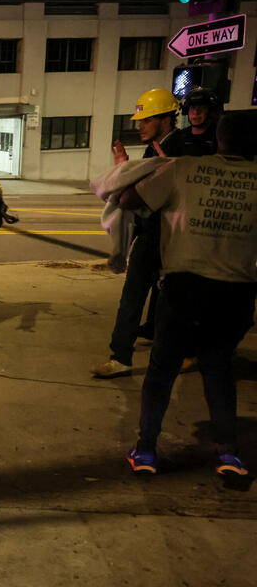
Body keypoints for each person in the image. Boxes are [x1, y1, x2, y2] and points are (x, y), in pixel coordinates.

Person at [115, 111, 257, 476]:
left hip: (185, 286)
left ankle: (146, 449)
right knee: (218, 368)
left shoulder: (184, 168)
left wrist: (134, 170)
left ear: (215, 140)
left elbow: (130, 200)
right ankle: (227, 452)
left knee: (162, 369)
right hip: (237, 290)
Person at [93, 88, 186, 378]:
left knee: (173, 301)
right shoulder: (152, 150)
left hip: (175, 239)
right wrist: (123, 167)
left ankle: (182, 351)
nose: (139, 125)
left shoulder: (184, 149)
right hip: (150, 237)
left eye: (146, 120)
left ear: (166, 119)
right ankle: (121, 356)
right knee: (132, 295)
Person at [178, 87, 221, 157]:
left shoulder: (219, 137)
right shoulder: (179, 136)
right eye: (193, 107)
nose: (196, 112)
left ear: (211, 111)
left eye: (202, 107)